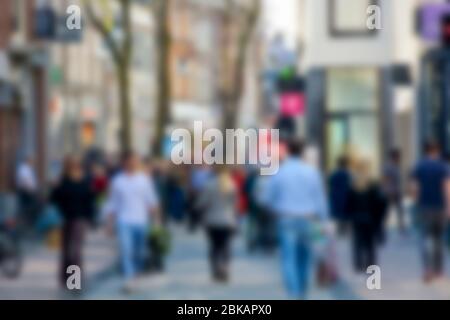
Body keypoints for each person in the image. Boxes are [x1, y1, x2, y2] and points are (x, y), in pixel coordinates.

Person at [262, 139, 329, 299]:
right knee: (305, 257)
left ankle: (293, 293)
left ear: (288, 151)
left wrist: (274, 209)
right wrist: (323, 221)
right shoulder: (312, 172)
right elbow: (320, 200)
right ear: (303, 152)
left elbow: (267, 198)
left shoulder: (280, 172)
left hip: (286, 219)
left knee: (288, 257)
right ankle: (302, 291)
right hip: (308, 219)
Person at [105, 151, 160, 292]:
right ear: (124, 163)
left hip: (140, 221)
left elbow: (152, 201)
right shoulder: (118, 181)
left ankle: (136, 274)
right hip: (124, 221)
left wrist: (157, 221)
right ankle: (129, 279)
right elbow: (112, 203)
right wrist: (109, 224)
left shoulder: (144, 180)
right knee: (126, 250)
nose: (132, 163)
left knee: (139, 252)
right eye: (129, 161)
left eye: (134, 160)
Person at [50, 156, 96, 289]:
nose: (73, 168)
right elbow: (53, 199)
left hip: (79, 219)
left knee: (75, 251)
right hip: (64, 219)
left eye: (75, 165)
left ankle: (74, 282)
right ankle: (65, 279)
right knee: (65, 250)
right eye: (70, 165)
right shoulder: (62, 181)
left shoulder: (85, 180)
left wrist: (90, 218)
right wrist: (55, 187)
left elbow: (89, 200)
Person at [410, 142, 450, 283]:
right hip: (439, 206)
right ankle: (438, 270)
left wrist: (416, 203)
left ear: (425, 151)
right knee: (439, 239)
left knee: (424, 237)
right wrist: (448, 207)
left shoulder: (419, 166)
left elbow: (414, 187)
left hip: (424, 207)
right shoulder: (443, 167)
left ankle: (427, 269)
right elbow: (446, 187)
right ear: (436, 151)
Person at [196, 166, 237, 282]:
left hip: (212, 220)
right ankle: (225, 268)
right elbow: (234, 204)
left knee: (214, 246)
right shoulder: (231, 184)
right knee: (225, 246)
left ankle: (215, 269)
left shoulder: (209, 185)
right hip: (227, 220)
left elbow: (202, 202)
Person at [346, 159, 387, 273]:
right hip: (370, 217)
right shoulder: (373, 185)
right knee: (370, 243)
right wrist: (379, 217)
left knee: (358, 242)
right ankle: (370, 264)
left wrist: (349, 214)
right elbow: (380, 202)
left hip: (357, 218)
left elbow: (349, 203)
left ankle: (359, 264)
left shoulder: (353, 185)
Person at [328, 156, 352, 235]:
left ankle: (339, 230)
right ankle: (344, 229)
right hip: (347, 196)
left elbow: (330, 185)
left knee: (337, 214)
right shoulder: (348, 174)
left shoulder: (334, 174)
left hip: (336, 197)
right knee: (346, 214)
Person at [383, 149, 405, 233]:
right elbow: (386, 179)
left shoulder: (396, 166)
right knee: (387, 209)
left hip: (397, 191)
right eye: (398, 157)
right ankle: (383, 225)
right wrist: (387, 190)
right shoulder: (389, 166)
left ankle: (401, 226)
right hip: (390, 191)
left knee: (400, 209)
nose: (399, 159)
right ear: (394, 157)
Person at [16, 156, 39, 226]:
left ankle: (27, 222)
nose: (32, 162)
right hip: (26, 192)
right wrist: (31, 190)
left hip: (29, 191)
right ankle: (26, 222)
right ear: (28, 160)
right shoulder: (23, 169)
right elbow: (25, 181)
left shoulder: (28, 169)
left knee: (29, 207)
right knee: (27, 207)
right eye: (31, 161)